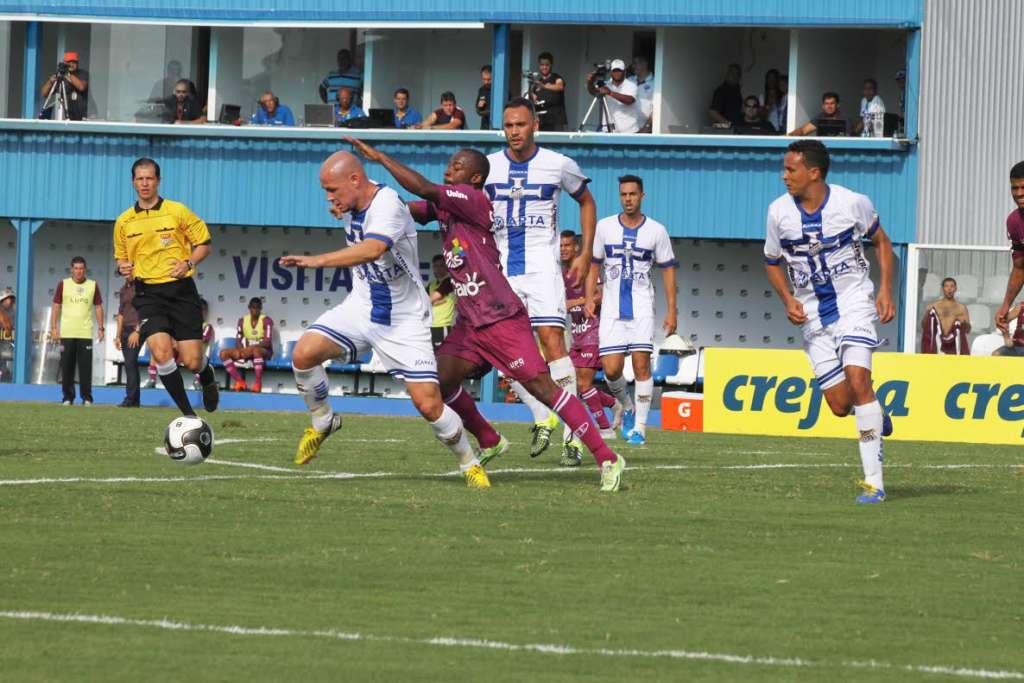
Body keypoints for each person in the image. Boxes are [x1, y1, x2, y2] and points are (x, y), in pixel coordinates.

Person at [346, 137, 626, 490]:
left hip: (501, 318)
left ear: (476, 178)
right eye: (449, 165)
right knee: (439, 382)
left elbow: (423, 188)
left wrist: (380, 157)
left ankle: (608, 457)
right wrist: (358, 198)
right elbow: (402, 206)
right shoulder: (447, 207)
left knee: (544, 389)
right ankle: (489, 438)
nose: (449, 170)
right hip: (471, 322)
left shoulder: (475, 200)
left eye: (458, 167)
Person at [277, 150, 490, 489]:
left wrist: (317, 261)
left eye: (332, 190)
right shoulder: (352, 202)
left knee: (428, 405)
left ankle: (469, 461)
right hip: (361, 308)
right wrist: (339, 209)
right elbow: (353, 221)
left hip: (403, 319)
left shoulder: (388, 203)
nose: (329, 198)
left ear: (355, 180)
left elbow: (373, 249)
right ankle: (323, 420)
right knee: (303, 354)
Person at [763, 140, 896, 504]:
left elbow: (883, 243)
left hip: (854, 303)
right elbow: (771, 261)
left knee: (858, 380)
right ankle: (874, 412)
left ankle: (874, 483)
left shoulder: (852, 202)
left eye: (790, 169)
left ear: (814, 172)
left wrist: (884, 290)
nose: (784, 175)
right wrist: (788, 298)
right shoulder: (778, 213)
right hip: (813, 314)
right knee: (840, 405)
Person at [484, 97, 598, 463]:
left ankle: (573, 433)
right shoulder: (488, 167)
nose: (514, 131)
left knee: (553, 343)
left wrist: (584, 252)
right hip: (502, 271)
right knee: (501, 348)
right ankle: (540, 413)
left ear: (534, 125)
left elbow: (587, 202)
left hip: (543, 269)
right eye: (508, 125)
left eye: (520, 124)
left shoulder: (558, 164)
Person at [113, 157, 220, 418]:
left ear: (158, 181)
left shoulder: (177, 211)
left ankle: (207, 375)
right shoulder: (124, 222)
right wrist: (122, 267)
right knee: (161, 353)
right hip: (148, 294)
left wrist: (188, 262)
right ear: (133, 182)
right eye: (140, 178)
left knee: (192, 360)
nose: (145, 183)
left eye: (149, 178)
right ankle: (189, 416)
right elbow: (121, 258)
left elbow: (204, 244)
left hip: (181, 291)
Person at [587, 175, 678, 446]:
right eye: (624, 194)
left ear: (642, 196)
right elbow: (594, 264)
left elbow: (668, 271)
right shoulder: (604, 227)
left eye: (633, 194)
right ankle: (627, 406)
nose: (628, 199)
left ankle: (640, 428)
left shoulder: (656, 231)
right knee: (611, 369)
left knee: (640, 365)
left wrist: (672, 310)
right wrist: (590, 296)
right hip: (612, 309)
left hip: (640, 307)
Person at [560, 231, 621, 441]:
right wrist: (579, 302)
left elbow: (602, 294)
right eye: (561, 246)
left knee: (584, 385)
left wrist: (586, 301)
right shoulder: (560, 274)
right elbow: (561, 305)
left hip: (594, 332)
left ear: (576, 247)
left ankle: (605, 429)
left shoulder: (585, 270)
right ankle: (614, 404)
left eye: (568, 245)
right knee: (577, 386)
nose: (563, 249)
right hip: (577, 335)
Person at [49, 256, 105, 405]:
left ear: (85, 269)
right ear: (71, 269)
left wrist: (101, 328)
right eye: (76, 268)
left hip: (85, 333)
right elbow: (56, 306)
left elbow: (98, 307)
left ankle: (87, 398)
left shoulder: (93, 285)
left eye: (81, 268)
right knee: (66, 366)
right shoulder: (63, 284)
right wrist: (54, 328)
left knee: (85, 368)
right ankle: (68, 397)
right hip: (66, 333)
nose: (79, 271)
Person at [994, 162, 1024, 337]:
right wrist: (1005, 305)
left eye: (1023, 187)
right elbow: (1020, 267)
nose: (1019, 193)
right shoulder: (1014, 222)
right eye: (1014, 188)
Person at [220, 297, 274, 393]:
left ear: (261, 308)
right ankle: (240, 381)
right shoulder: (242, 320)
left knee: (256, 351)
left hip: (265, 352)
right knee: (223, 353)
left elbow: (267, 342)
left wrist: (250, 349)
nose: (255, 310)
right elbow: (238, 339)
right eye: (253, 307)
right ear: (249, 308)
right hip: (247, 351)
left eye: (258, 308)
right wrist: (241, 351)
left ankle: (258, 383)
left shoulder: (266, 320)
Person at [586, 59, 641, 134]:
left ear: (624, 72)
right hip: (608, 131)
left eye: (619, 70)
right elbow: (593, 91)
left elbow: (630, 100)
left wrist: (610, 93)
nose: (616, 73)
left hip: (629, 131)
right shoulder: (606, 84)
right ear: (611, 72)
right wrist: (590, 82)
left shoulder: (631, 85)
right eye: (614, 71)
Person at [920, 278, 971, 355]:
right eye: (946, 286)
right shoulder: (934, 306)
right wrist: (927, 313)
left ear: (955, 289)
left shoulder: (961, 308)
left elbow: (968, 330)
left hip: (954, 346)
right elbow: (924, 326)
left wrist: (963, 324)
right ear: (942, 288)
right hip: (938, 345)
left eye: (952, 286)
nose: (949, 289)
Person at [114, 277, 143, 407]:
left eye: (130, 269)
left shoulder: (141, 286)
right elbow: (120, 313)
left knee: (130, 362)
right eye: (125, 270)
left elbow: (145, 309)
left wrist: (137, 331)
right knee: (130, 364)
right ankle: (134, 400)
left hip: (136, 329)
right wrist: (117, 336)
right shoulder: (123, 289)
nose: (128, 273)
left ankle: (130, 399)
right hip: (125, 330)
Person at [40, 50, 88, 121]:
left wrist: (67, 74)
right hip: (67, 117)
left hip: (82, 116)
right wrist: (50, 82)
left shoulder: (82, 74)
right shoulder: (61, 77)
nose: (71, 64)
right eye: (69, 62)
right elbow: (44, 93)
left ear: (77, 63)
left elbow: (81, 87)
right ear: (65, 63)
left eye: (73, 62)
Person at [530, 52, 567, 132]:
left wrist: (544, 86)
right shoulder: (538, 82)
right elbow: (535, 101)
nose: (544, 67)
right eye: (542, 65)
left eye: (547, 65)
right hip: (542, 121)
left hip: (556, 121)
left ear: (551, 65)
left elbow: (560, 86)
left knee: (557, 143)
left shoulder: (556, 77)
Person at [428, 254, 456, 348]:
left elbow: (429, 299)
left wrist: (431, 302)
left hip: (443, 326)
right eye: (435, 266)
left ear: (446, 267)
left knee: (441, 356)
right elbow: (420, 301)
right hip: (430, 326)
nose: (438, 269)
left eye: (441, 265)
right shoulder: (432, 284)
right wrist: (430, 302)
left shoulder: (449, 282)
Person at [628, 56, 655, 133]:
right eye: (633, 64)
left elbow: (656, 109)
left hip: (645, 130)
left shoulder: (655, 83)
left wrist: (646, 127)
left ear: (645, 63)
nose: (633, 66)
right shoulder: (629, 80)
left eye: (636, 63)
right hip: (627, 129)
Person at [0, 288, 15, 383]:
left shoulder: (13, 312)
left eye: (12, 299)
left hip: (6, 346)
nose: (11, 302)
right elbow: (7, 327)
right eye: (9, 299)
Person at [475, 65, 492, 130]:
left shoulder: (501, 91)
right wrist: (479, 107)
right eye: (484, 79)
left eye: (489, 79)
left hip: (499, 128)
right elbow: (478, 110)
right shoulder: (481, 90)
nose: (486, 82)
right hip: (485, 126)